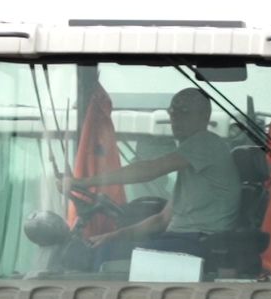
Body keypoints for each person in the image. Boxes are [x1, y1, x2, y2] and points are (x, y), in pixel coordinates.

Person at [65, 87, 241, 260]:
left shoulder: (205, 143)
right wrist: (110, 236)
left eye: (184, 111)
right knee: (103, 248)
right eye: (172, 111)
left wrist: (86, 182)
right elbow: (161, 220)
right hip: (182, 240)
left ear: (204, 116)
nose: (175, 117)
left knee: (103, 255)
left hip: (199, 243)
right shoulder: (193, 171)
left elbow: (151, 169)